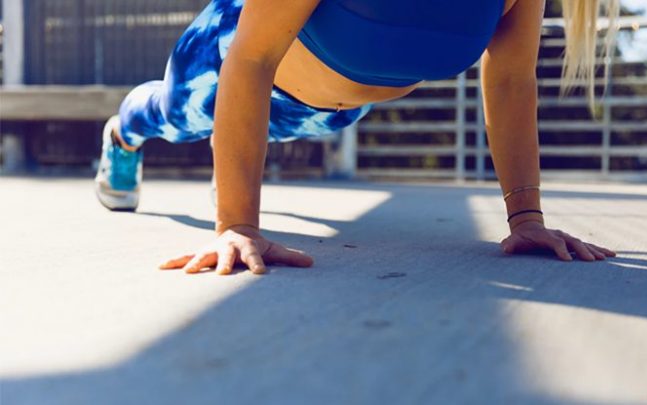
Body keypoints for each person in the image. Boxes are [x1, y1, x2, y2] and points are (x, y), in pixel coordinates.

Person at [94, 0, 619, 275]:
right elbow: (251, 58)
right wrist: (237, 224)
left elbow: (509, 80)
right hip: (227, 64)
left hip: (330, 114)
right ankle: (121, 137)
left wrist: (526, 219)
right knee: (168, 114)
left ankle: (228, 165)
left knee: (247, 138)